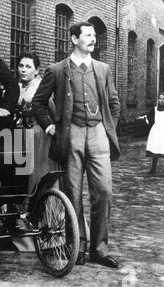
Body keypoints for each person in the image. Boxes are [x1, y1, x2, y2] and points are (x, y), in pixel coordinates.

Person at [32, 21, 121, 268]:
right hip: (70, 136)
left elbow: (114, 103)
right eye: (88, 35)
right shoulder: (57, 70)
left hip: (98, 135)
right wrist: (51, 126)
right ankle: (77, 247)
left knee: (103, 191)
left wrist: (107, 127)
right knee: (72, 193)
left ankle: (99, 250)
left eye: (95, 35)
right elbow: (38, 103)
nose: (94, 39)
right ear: (74, 39)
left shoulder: (102, 69)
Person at [12, 52, 57, 252]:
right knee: (20, 181)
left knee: (39, 180)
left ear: (36, 70)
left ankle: (47, 230)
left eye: (28, 66)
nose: (23, 70)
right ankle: (22, 234)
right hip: (19, 138)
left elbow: (53, 113)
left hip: (38, 138)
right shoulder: (15, 87)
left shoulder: (41, 87)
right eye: (21, 66)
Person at [145, 93, 164, 179]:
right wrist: (153, 125)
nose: (161, 100)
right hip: (156, 131)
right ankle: (153, 169)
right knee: (155, 148)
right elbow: (149, 117)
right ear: (158, 99)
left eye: (163, 99)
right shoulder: (154, 109)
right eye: (160, 98)